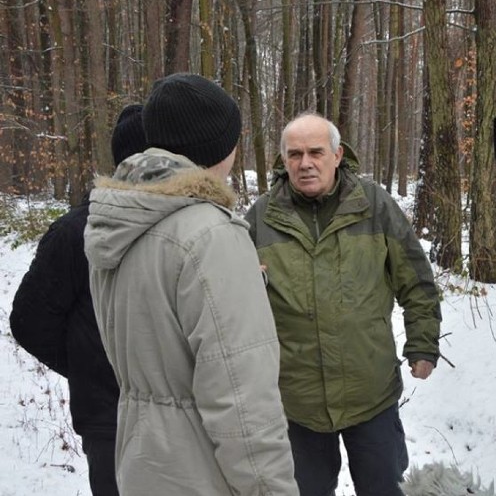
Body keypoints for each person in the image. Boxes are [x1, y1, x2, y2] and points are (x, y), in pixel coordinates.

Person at [84, 73, 298, 496]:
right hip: (203, 473)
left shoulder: (117, 222)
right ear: (223, 147)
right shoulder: (211, 235)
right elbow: (242, 400)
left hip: (142, 463)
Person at [245, 112, 442, 496]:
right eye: (295, 154)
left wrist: (423, 343)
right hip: (295, 400)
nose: (305, 163)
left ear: (337, 155)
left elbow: (415, 280)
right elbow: (240, 305)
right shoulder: (260, 219)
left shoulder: (374, 205)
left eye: (316, 152)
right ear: (283, 161)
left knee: (386, 489)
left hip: (371, 393)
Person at [10, 104, 147, 496]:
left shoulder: (181, 230)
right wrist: (90, 366)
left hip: (176, 422)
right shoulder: (75, 233)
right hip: (110, 421)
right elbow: (30, 323)